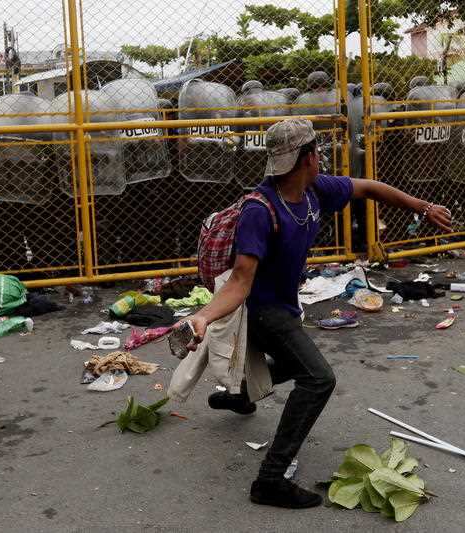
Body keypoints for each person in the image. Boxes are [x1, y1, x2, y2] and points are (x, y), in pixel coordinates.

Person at [179, 118, 451, 509]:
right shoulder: (260, 210)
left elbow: (369, 187)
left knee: (296, 364)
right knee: (318, 379)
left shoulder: (314, 189)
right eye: (317, 151)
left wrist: (423, 207)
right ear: (308, 157)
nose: (321, 157)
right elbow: (239, 281)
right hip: (262, 312)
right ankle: (270, 480)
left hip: (286, 306)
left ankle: (239, 393)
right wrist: (204, 317)